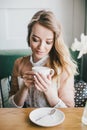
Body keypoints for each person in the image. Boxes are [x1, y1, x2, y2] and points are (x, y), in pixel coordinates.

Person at [8, 10, 77, 108]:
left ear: (54, 43)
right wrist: (24, 88)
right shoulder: (19, 63)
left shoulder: (64, 68)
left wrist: (48, 91)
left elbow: (69, 112)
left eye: (48, 42)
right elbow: (10, 107)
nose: (41, 47)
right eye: (35, 40)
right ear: (29, 38)